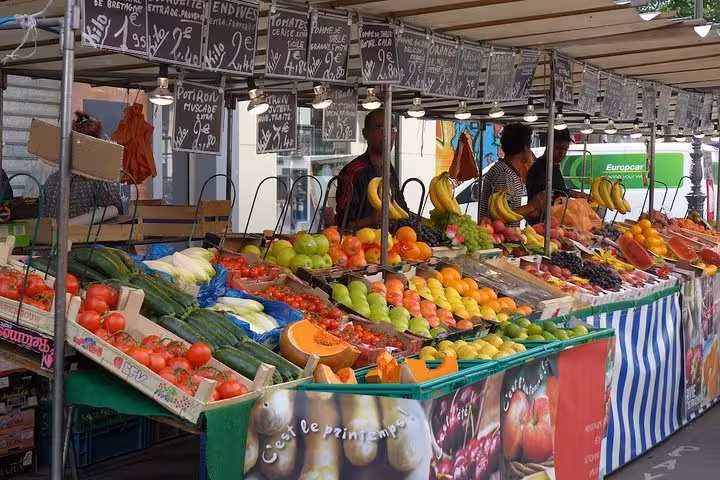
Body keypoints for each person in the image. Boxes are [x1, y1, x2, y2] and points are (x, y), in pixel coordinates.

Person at [334, 109, 409, 229]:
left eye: (391, 129)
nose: (386, 134)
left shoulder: (389, 169)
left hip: (392, 243)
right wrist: (371, 221)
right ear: (365, 134)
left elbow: (402, 210)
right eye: (379, 128)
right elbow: (343, 224)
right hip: (360, 244)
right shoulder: (353, 172)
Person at [43, 112, 124, 220]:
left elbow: (115, 209)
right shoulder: (97, 180)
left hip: (56, 235)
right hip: (80, 235)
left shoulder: (52, 180)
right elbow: (118, 209)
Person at [478, 123, 545, 225]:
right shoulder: (504, 174)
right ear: (524, 148)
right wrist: (531, 206)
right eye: (529, 146)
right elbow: (500, 215)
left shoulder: (508, 171)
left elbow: (510, 210)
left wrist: (528, 212)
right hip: (498, 237)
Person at [526, 128, 590, 206]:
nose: (562, 153)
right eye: (558, 148)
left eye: (565, 149)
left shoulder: (554, 166)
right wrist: (571, 193)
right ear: (548, 144)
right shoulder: (538, 169)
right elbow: (543, 192)